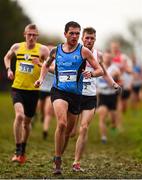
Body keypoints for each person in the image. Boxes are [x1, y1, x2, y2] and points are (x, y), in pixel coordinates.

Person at [34, 21, 104, 175]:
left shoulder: (84, 51)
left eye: (77, 33)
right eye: (71, 33)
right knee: (62, 123)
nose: (74, 36)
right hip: (59, 91)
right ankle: (57, 160)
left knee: (69, 132)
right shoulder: (56, 50)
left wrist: (91, 73)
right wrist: (40, 78)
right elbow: (46, 65)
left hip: (76, 95)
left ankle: (59, 155)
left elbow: (99, 70)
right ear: (65, 33)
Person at [64, 27, 120, 172]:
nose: (89, 40)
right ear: (82, 38)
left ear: (95, 39)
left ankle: (76, 162)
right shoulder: (74, 52)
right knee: (70, 132)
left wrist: (113, 83)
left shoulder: (98, 55)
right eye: (87, 38)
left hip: (89, 97)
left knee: (84, 128)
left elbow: (104, 73)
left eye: (92, 38)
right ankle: (59, 155)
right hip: (74, 95)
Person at [4, 24, 49, 164]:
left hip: (33, 91)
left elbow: (51, 66)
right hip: (17, 88)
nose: (31, 37)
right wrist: (8, 70)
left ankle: (23, 148)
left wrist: (40, 64)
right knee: (19, 115)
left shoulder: (43, 49)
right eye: (29, 34)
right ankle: (17, 150)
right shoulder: (17, 47)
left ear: (37, 36)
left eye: (34, 35)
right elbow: (7, 57)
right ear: (25, 34)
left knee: (27, 123)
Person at [97, 50, 121, 143]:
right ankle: (103, 137)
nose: (107, 59)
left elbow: (120, 82)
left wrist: (116, 79)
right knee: (102, 116)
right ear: (103, 58)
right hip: (103, 95)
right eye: (106, 57)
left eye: (109, 57)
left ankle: (113, 124)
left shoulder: (115, 69)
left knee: (113, 120)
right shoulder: (98, 68)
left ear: (112, 58)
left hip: (112, 96)